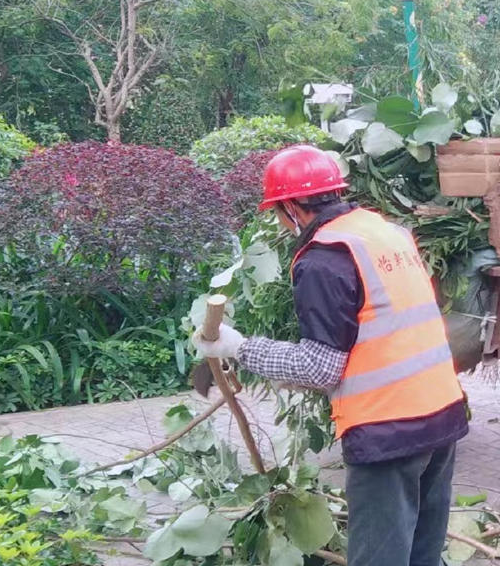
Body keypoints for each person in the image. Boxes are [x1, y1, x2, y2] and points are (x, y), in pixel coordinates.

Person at [192, 145, 468, 566]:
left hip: (388, 430)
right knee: (422, 554)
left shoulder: (324, 259)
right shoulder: (385, 232)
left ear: (290, 207)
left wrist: (239, 347)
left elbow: (319, 366)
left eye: (277, 213)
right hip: (442, 414)